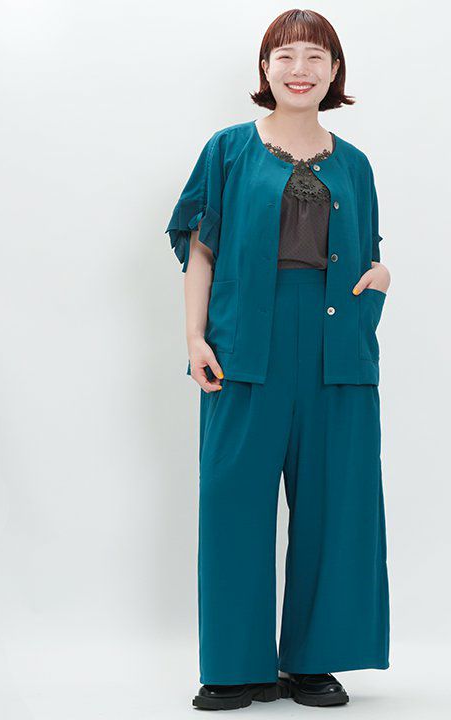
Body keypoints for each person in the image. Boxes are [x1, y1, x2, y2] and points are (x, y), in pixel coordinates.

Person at [164, 9, 392, 711]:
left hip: (337, 350)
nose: (300, 69)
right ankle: (236, 666)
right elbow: (200, 250)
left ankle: (313, 662)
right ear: (265, 69)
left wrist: (381, 278)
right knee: (232, 502)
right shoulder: (228, 150)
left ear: (334, 71)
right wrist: (196, 338)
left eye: (316, 57)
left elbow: (366, 252)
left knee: (334, 505)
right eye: (286, 55)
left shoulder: (355, 164)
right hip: (243, 346)